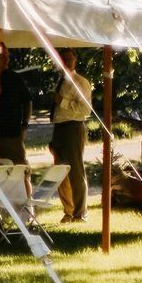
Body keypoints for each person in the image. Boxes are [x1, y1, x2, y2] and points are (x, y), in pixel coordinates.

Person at [51, 48, 92, 221]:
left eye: (70, 59)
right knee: (60, 172)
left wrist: (63, 102)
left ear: (75, 59)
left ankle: (80, 213)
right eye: (63, 59)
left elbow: (85, 109)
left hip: (73, 128)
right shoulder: (59, 81)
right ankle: (68, 211)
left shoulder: (80, 82)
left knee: (75, 172)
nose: (67, 63)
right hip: (59, 128)